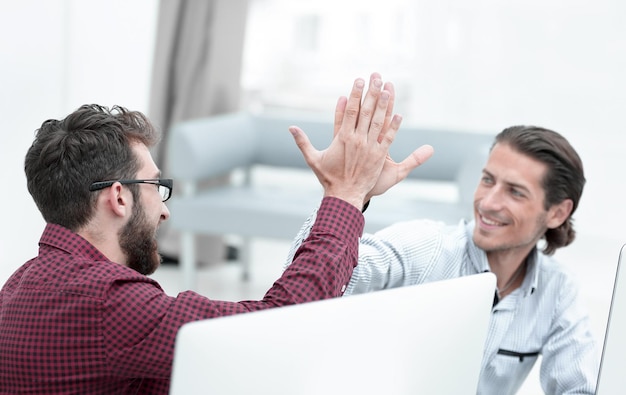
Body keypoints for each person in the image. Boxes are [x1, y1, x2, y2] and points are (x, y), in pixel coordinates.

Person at [0, 73, 434, 394]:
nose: (165, 211)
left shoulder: (18, 285)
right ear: (119, 198)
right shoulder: (109, 303)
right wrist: (345, 194)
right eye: (156, 187)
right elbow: (280, 324)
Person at [286, 123, 601, 394]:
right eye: (488, 180)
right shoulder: (426, 246)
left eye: (515, 192)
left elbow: (579, 387)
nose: (488, 203)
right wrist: (346, 195)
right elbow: (304, 286)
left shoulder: (557, 290)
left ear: (558, 213)